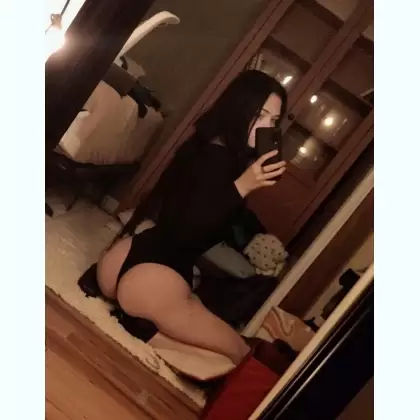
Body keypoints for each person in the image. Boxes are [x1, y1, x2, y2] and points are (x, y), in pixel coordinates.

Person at [81, 70, 288, 365]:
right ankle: (144, 324)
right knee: (241, 353)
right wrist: (242, 187)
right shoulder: (221, 162)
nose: (268, 126)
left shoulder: (207, 145)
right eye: (261, 115)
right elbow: (186, 230)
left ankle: (143, 324)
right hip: (152, 280)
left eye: (274, 121)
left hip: (126, 259)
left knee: (206, 333)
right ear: (240, 109)